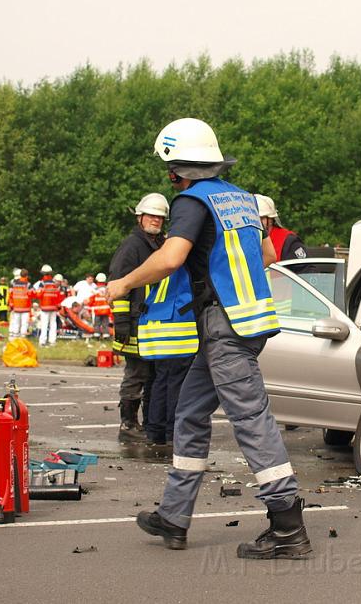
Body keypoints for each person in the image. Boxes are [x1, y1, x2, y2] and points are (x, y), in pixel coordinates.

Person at [106, 117, 310, 560]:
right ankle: (174, 517)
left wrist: (123, 284)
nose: (169, 177)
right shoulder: (240, 198)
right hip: (248, 322)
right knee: (190, 414)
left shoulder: (191, 201)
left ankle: (288, 527)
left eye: (170, 169)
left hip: (225, 328)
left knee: (252, 421)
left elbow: (171, 257)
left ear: (179, 169)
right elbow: (269, 254)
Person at [108, 193, 168, 442]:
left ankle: (148, 423)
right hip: (133, 323)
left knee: (153, 376)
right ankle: (128, 423)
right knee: (136, 374)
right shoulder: (132, 247)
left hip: (154, 324)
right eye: (151, 215)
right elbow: (118, 284)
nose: (156, 220)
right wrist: (121, 322)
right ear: (140, 217)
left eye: (160, 217)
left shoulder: (161, 245)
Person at [255, 194, 308, 261]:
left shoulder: (288, 241)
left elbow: (305, 269)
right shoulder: (244, 241)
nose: (255, 224)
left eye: (261, 219)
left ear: (270, 220)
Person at [34, 264, 63, 346]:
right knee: (53, 324)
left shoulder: (42, 283)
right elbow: (57, 295)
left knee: (44, 324)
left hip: (45, 307)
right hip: (53, 307)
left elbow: (39, 295)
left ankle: (42, 342)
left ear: (43, 273)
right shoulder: (54, 283)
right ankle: (52, 341)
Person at [8, 269, 32, 338]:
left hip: (16, 307)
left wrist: (11, 304)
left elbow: (11, 294)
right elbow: (32, 294)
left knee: (16, 323)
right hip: (25, 308)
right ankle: (22, 339)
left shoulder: (14, 284)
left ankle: (14, 338)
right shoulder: (28, 284)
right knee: (23, 324)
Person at [88, 273, 112, 338]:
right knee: (105, 323)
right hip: (106, 310)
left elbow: (91, 300)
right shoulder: (108, 289)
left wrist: (89, 308)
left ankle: (97, 335)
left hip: (97, 310)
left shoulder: (94, 289)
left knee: (97, 324)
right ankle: (106, 335)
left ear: (97, 280)